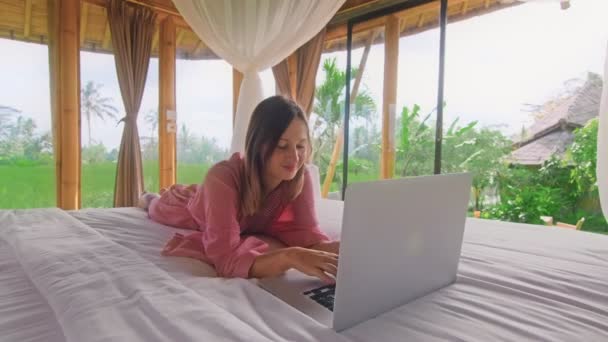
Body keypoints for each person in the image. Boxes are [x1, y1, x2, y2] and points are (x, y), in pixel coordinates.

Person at [139, 95, 339, 283]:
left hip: (223, 203)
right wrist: (290, 257)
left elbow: (308, 237)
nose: (294, 157)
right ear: (258, 145)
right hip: (190, 207)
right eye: (281, 145)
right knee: (156, 205)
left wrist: (356, 248)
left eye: (300, 146)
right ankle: (148, 197)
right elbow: (226, 261)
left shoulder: (299, 177)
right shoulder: (222, 179)